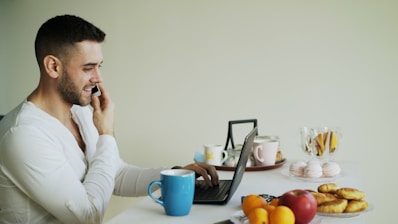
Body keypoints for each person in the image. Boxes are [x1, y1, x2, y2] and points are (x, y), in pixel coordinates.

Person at [0, 15, 219, 224]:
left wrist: (174, 173)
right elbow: (88, 216)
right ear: (53, 67)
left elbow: (116, 173)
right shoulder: (22, 134)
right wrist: (106, 135)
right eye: (88, 68)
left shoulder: (81, 112)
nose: (98, 78)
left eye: (99, 66)